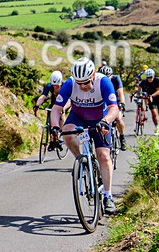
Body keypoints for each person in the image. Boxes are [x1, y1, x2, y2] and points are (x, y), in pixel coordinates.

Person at [50, 57, 120, 214]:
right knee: (68, 134)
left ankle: (108, 196)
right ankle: (82, 161)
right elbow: (56, 109)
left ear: (93, 75)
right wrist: (54, 127)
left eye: (86, 82)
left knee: (103, 156)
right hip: (78, 116)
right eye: (79, 83)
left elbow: (114, 108)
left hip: (100, 118)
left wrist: (105, 122)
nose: (83, 86)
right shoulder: (70, 84)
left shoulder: (103, 82)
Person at [33, 70, 66, 151]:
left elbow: (69, 98)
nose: (55, 87)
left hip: (63, 104)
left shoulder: (65, 86)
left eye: (57, 86)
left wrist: (64, 108)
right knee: (51, 124)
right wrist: (37, 105)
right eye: (54, 85)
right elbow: (43, 96)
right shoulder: (49, 86)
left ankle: (61, 133)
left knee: (61, 115)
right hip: (53, 105)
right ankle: (52, 141)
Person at [98, 65, 127, 151]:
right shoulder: (97, 80)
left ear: (111, 76)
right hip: (104, 102)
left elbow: (120, 93)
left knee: (118, 118)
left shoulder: (116, 79)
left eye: (108, 78)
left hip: (115, 102)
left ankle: (122, 137)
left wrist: (122, 104)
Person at [139, 68, 159, 134]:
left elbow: (158, 91)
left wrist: (152, 95)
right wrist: (133, 93)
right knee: (154, 114)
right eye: (148, 77)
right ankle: (156, 127)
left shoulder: (157, 80)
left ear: (153, 76)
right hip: (150, 99)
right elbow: (138, 88)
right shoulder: (144, 82)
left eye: (151, 77)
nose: (150, 79)